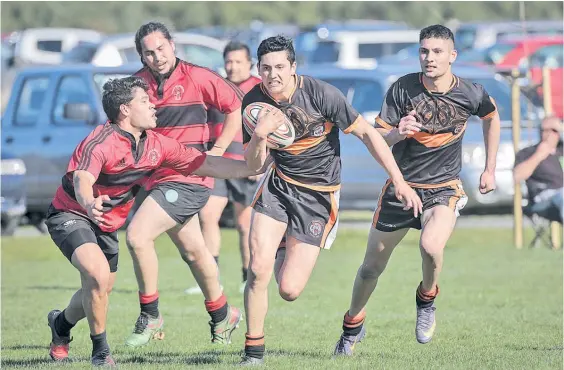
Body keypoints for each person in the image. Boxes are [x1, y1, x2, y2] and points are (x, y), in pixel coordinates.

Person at [45, 76, 261, 367]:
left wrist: (251, 166)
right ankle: (101, 354)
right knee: (96, 276)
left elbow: (205, 164)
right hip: (72, 213)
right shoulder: (102, 141)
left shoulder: (156, 144)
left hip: (107, 223)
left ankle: (60, 325)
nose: (152, 105)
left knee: (100, 290)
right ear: (125, 109)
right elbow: (84, 177)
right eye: (144, 101)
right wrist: (88, 201)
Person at [239, 35, 422, 365]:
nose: (272, 75)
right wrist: (259, 135)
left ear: (293, 67)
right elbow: (253, 166)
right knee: (256, 269)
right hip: (277, 187)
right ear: (258, 69)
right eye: (265, 69)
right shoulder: (253, 103)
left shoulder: (322, 94)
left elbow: (367, 134)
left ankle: (284, 245)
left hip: (318, 197)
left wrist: (399, 181)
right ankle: (253, 353)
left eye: (280, 67)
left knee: (289, 290)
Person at [333, 24, 501, 356]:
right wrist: (397, 132)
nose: (429, 57)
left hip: (443, 188)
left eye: (437, 51)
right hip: (401, 188)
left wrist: (490, 168)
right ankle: (352, 327)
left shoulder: (470, 92)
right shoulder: (402, 89)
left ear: (452, 56)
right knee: (370, 269)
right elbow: (376, 140)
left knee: (430, 245)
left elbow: (492, 117)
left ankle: (427, 299)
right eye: (424, 51)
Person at [124, 22, 245, 347]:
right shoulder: (137, 85)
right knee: (194, 251)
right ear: (142, 56)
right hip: (155, 179)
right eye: (149, 52)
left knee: (137, 236)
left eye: (161, 48)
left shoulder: (198, 76)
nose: (157, 56)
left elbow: (235, 107)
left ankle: (150, 315)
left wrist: (217, 152)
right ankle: (223, 315)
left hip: (189, 177)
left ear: (172, 45)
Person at [186, 41, 262, 295]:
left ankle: (246, 277)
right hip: (217, 163)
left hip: (245, 164)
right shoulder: (217, 86)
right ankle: (211, 277)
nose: (232, 67)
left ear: (249, 64)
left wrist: (261, 162)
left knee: (244, 224)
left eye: (238, 62)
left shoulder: (259, 90)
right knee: (208, 217)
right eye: (229, 61)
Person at [514, 116, 563, 222]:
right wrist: (539, 154)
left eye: (554, 130)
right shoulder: (528, 152)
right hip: (544, 197)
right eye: (544, 130)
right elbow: (517, 176)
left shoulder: (561, 151)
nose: (549, 134)